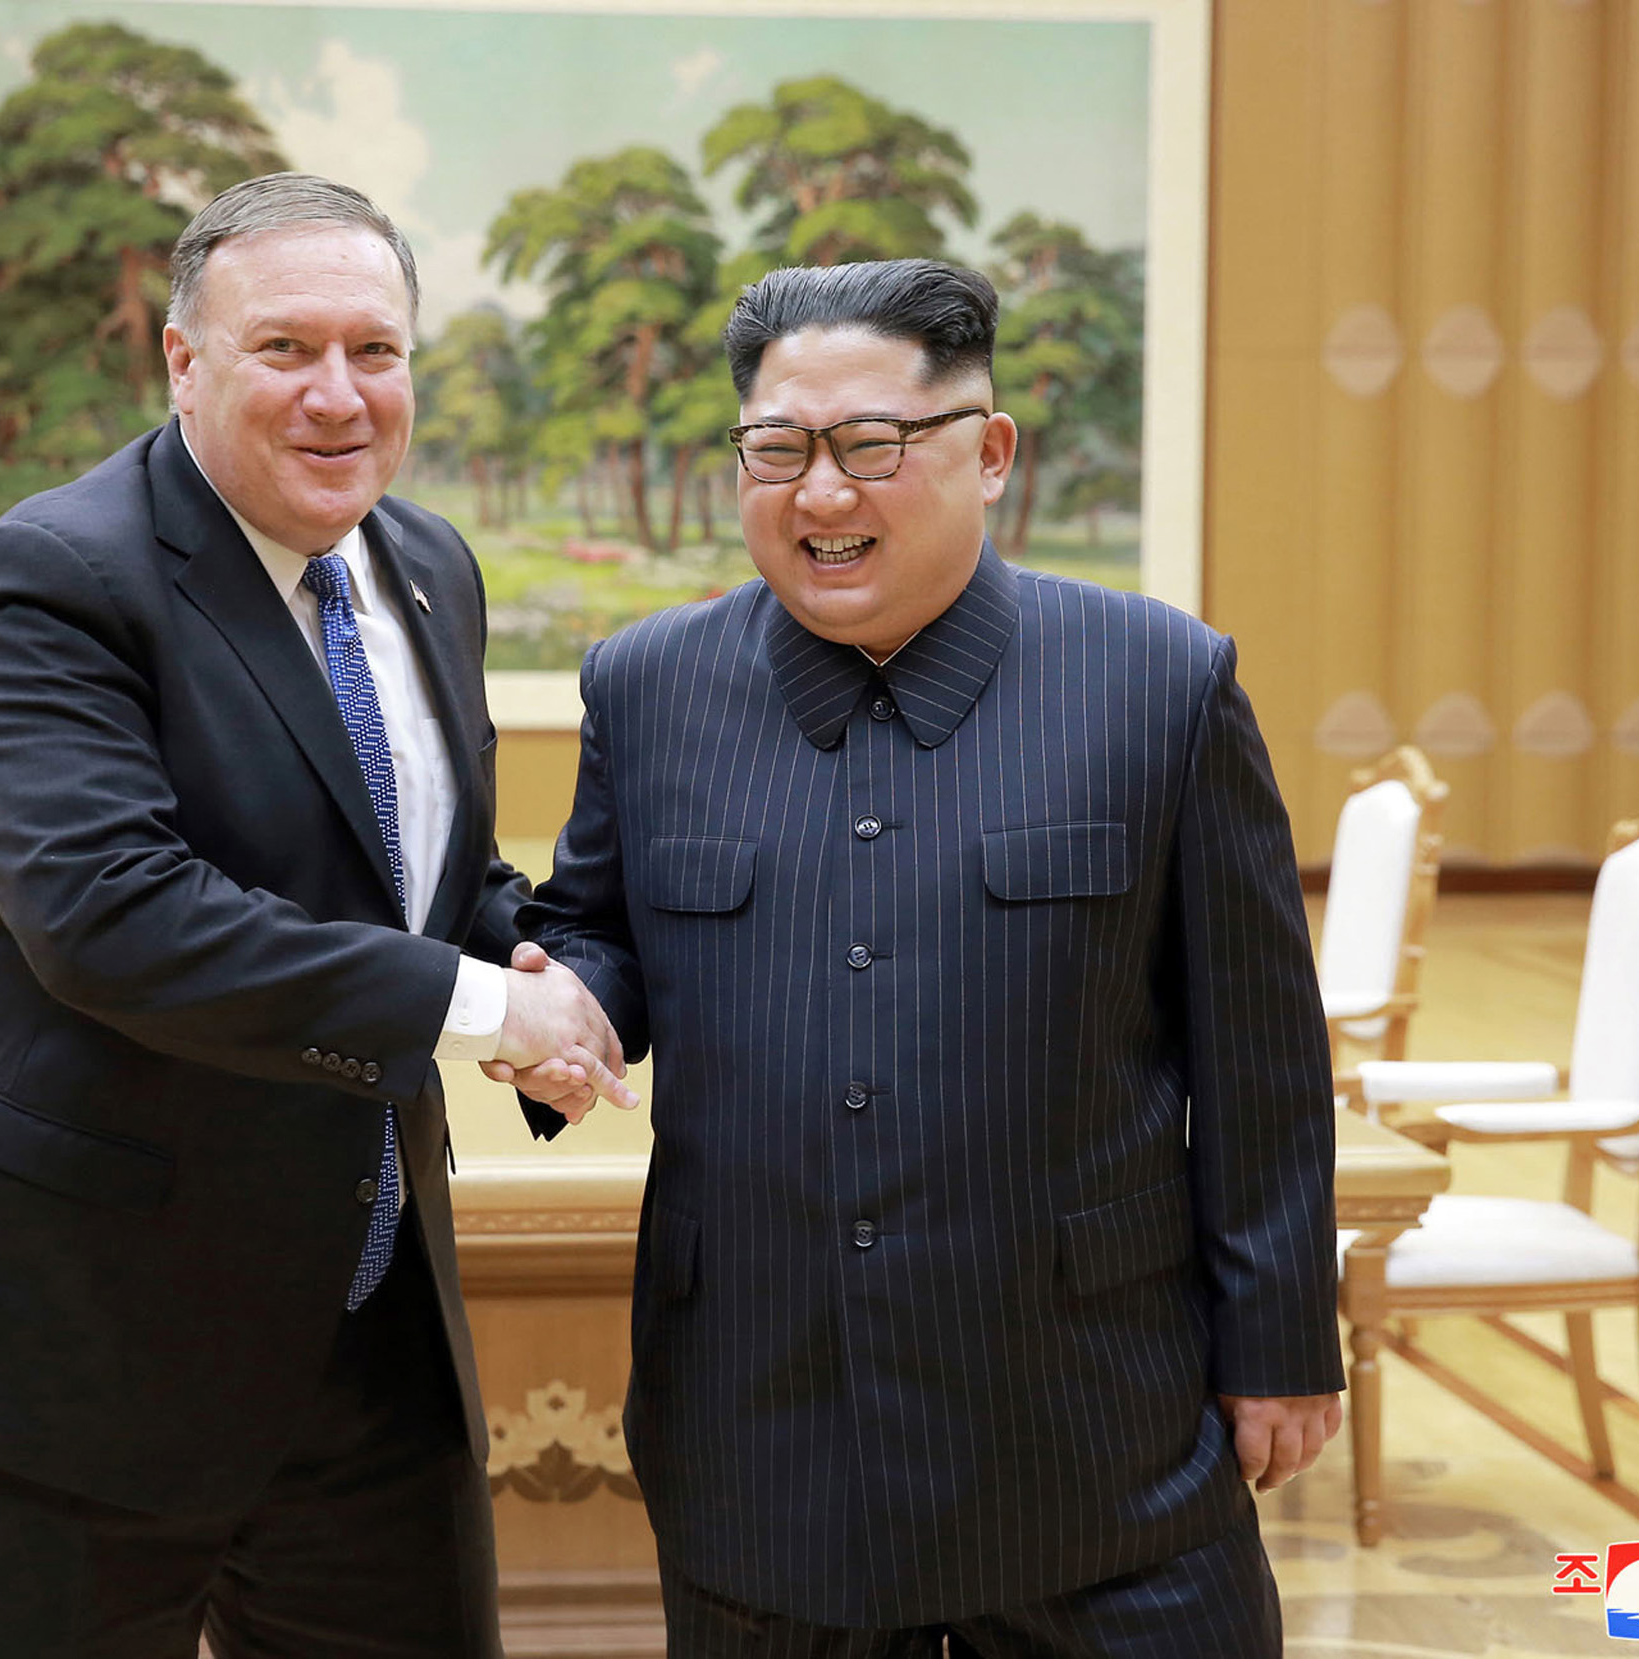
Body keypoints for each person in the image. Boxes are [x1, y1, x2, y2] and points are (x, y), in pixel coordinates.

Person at [0, 172, 630, 1659]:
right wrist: (479, 1008)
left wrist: (546, 962)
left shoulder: (429, 566)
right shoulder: (53, 578)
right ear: (185, 364)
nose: (340, 395)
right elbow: (113, 918)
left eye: (375, 352)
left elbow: (426, 886)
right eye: (286, 350)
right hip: (71, 1350)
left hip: (368, 1341)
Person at [503, 258, 1343, 1655]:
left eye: (872, 446)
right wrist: (564, 992)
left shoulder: (1157, 681)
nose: (821, 494)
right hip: (766, 1423)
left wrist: (1280, 1345)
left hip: (1099, 1424)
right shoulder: (648, 688)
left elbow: (1256, 1048)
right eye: (777, 450)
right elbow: (597, 926)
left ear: (990, 451)